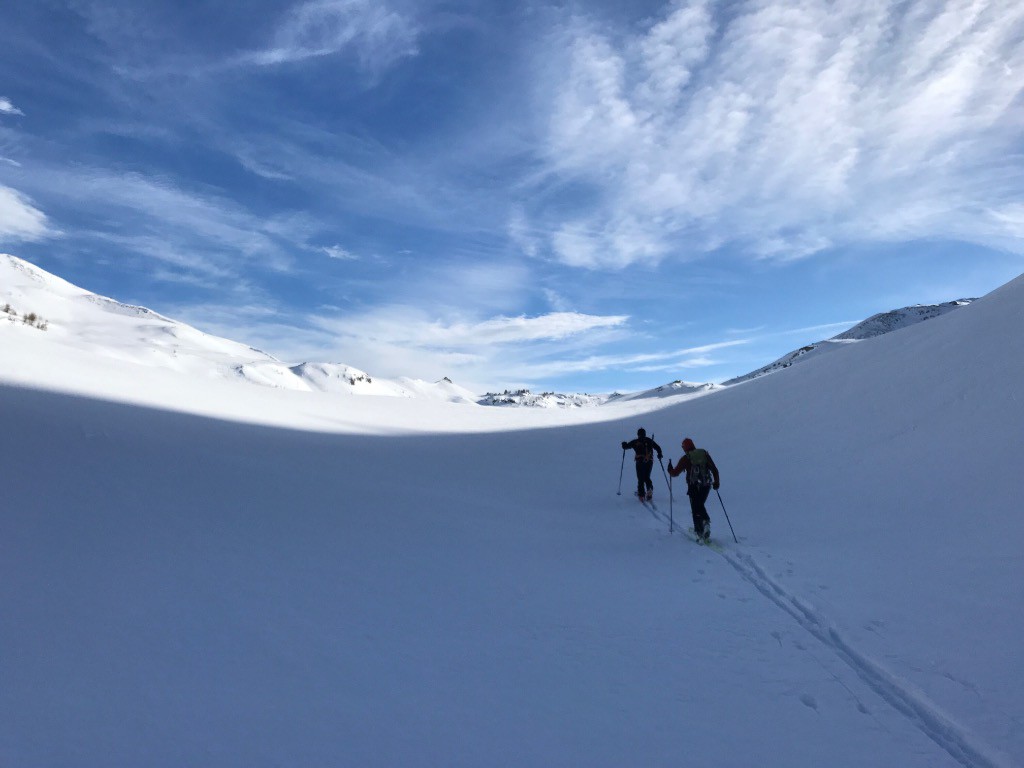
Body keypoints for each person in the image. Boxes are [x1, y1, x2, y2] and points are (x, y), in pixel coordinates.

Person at [667, 437, 721, 542]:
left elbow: (675, 473)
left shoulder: (686, 458)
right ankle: (704, 526)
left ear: (684, 448)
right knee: (699, 504)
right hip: (706, 485)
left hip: (693, 486)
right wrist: (716, 482)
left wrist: (669, 469)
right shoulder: (704, 454)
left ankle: (700, 529)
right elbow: (715, 470)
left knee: (695, 507)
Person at [621, 428, 663, 501]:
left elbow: (626, 447)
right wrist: (659, 454)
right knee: (647, 476)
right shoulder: (649, 440)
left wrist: (624, 444)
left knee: (640, 478)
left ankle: (641, 494)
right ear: (645, 434)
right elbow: (658, 448)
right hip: (649, 461)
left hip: (640, 461)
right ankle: (649, 489)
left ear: (638, 434)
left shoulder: (636, 441)